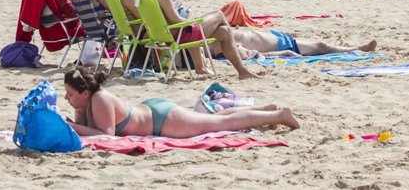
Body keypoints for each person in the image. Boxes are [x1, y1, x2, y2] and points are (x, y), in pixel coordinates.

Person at [63, 67, 299, 138]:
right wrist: (75, 123)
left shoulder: (100, 99)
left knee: (223, 124)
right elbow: (86, 131)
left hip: (163, 120)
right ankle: (267, 108)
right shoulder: (85, 103)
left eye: (70, 94)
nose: (67, 98)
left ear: (85, 93)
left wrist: (71, 127)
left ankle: (279, 115)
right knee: (214, 119)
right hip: (155, 113)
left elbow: (106, 136)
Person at [149, 0, 259, 80]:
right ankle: (232, 54)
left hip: (164, 35)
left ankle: (207, 67)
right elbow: (177, 20)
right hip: (179, 35)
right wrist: (190, 17)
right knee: (219, 15)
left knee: (225, 31)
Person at [225, 28, 377, 58]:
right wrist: (284, 53)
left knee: (320, 46)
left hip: (278, 38)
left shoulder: (221, 37)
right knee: (321, 46)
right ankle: (358, 48)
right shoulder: (228, 47)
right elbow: (255, 55)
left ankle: (348, 47)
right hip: (284, 45)